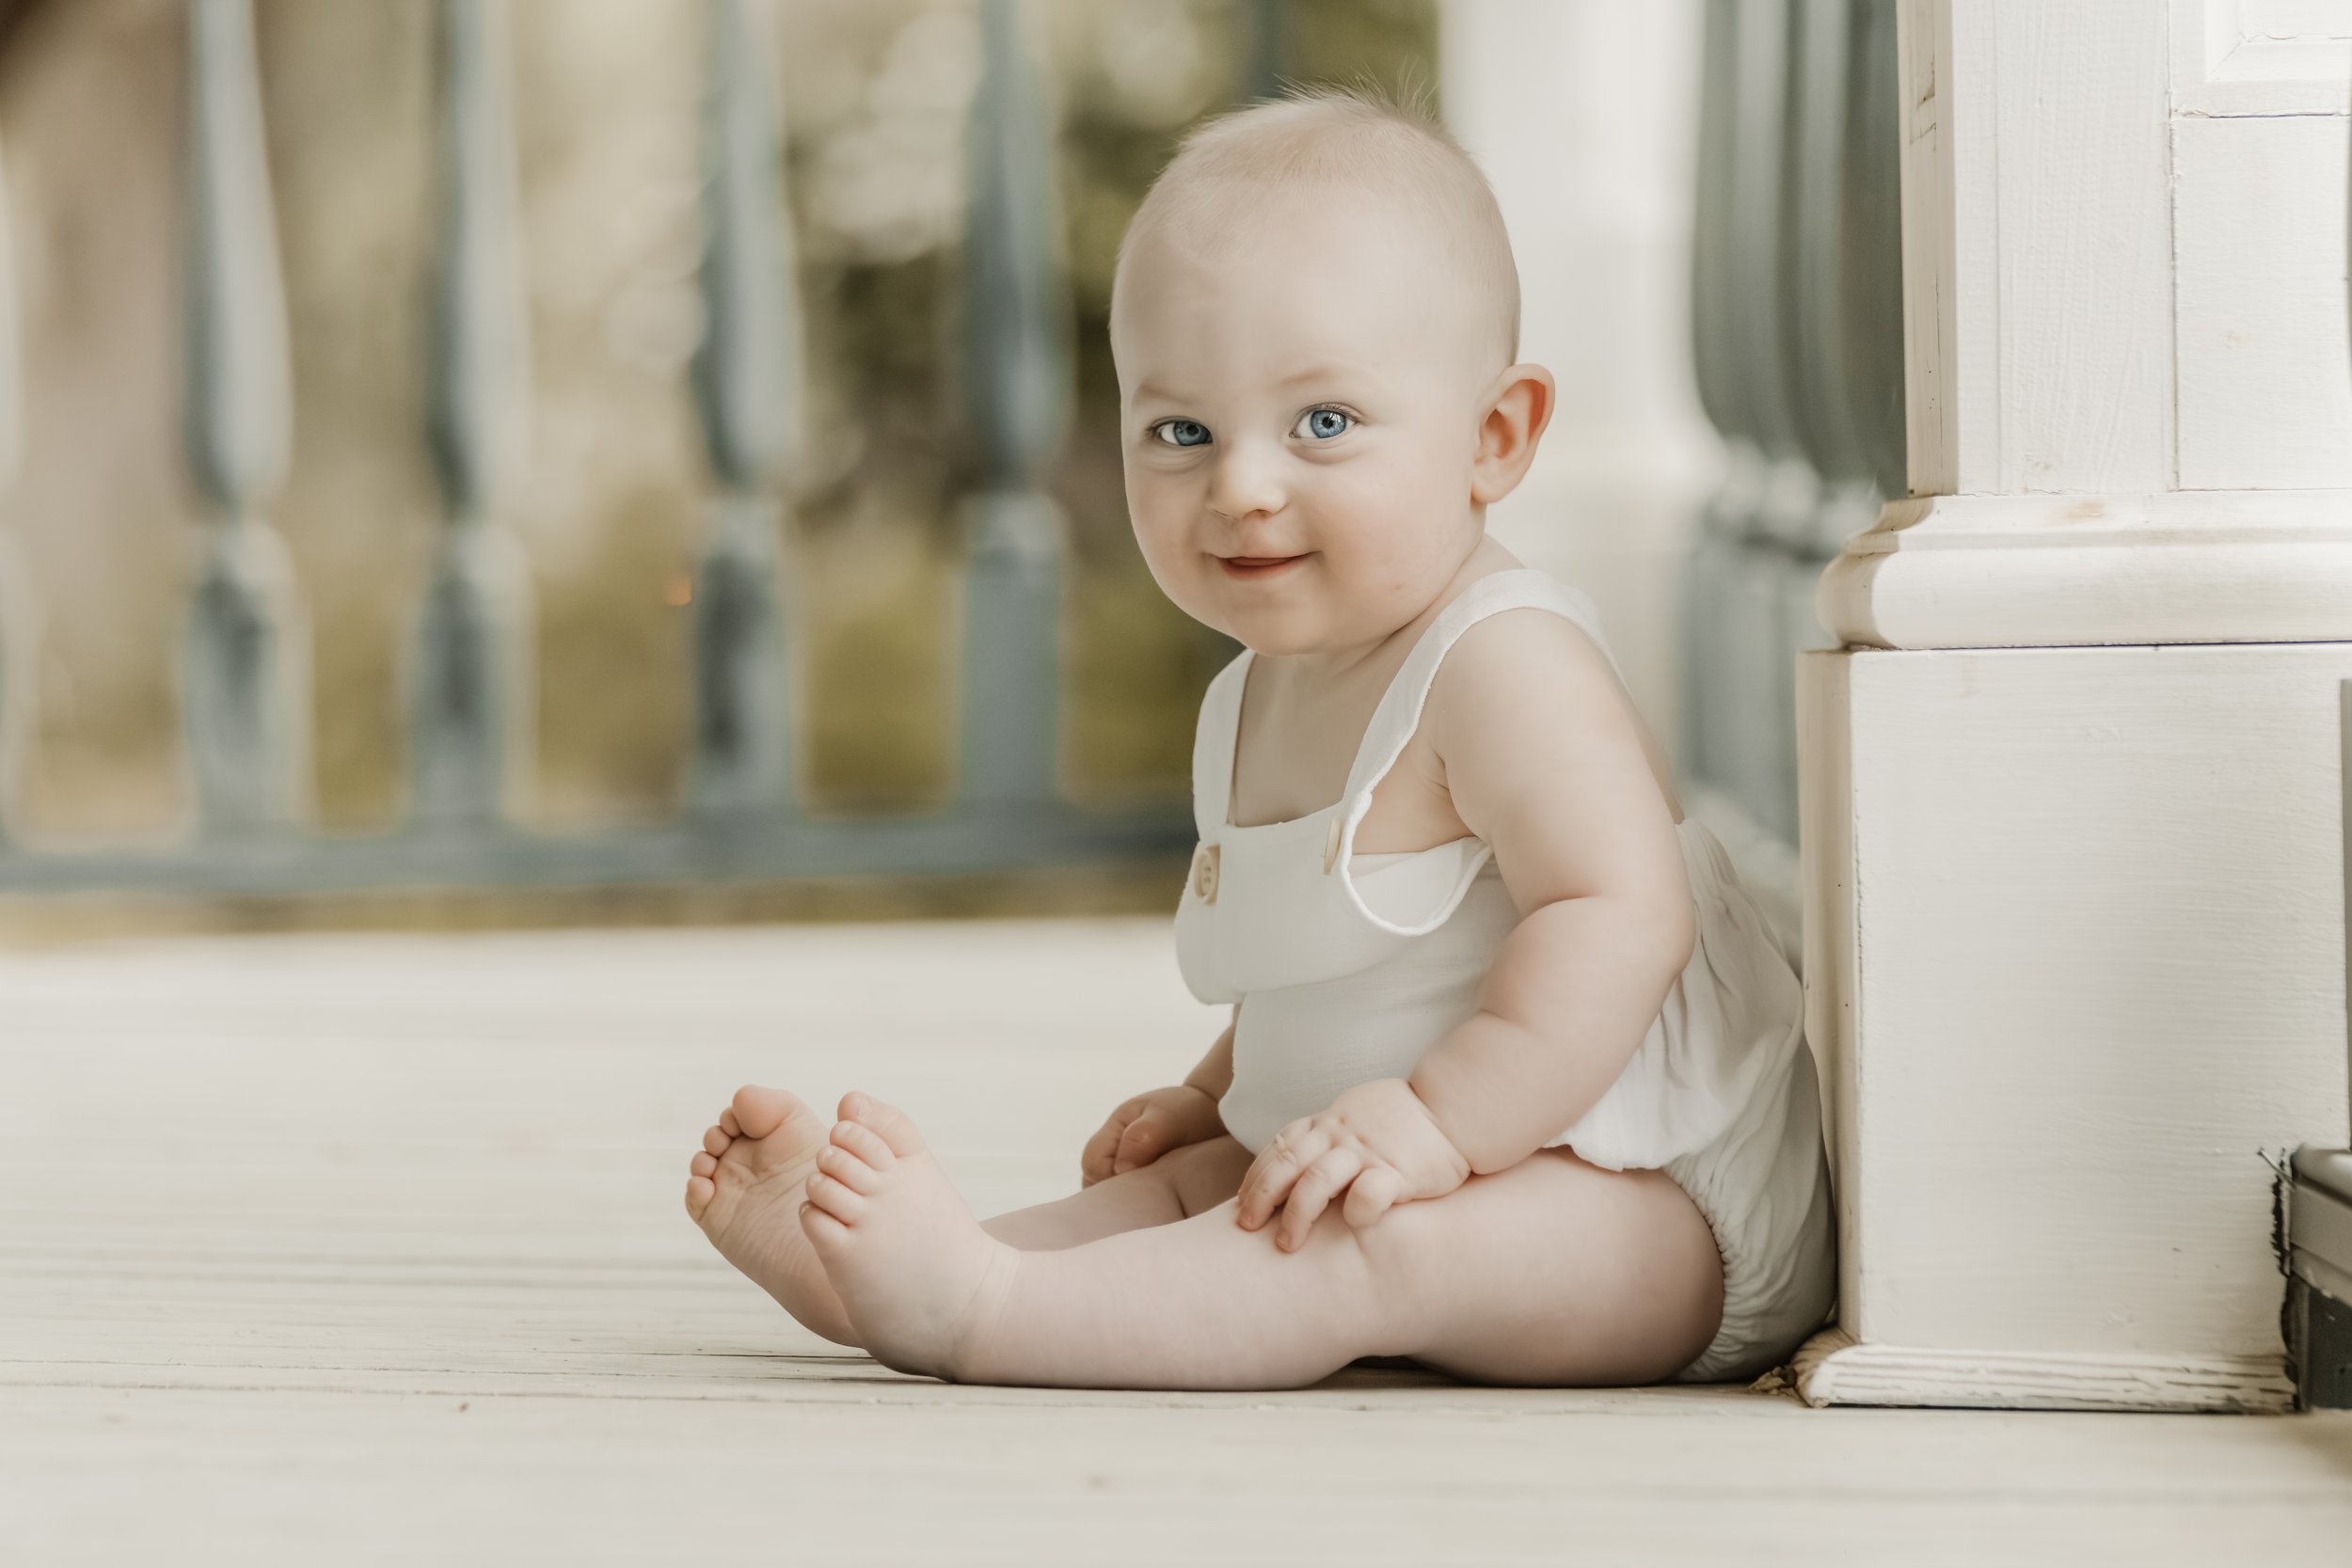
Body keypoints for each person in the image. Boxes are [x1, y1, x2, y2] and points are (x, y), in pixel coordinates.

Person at [682, 87, 1834, 1389]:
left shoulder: (1504, 662)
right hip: (1406, 1151)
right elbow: (1332, 962)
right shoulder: (1264, 687)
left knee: (1365, 1248)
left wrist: (1439, 1124)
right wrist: (1219, 1092)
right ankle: (890, 1282)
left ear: (1493, 438)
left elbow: (1618, 918)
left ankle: (982, 1310)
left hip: (1648, 1202)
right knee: (1194, 1189)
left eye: (1323, 424)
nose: (1241, 484)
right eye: (1182, 431)